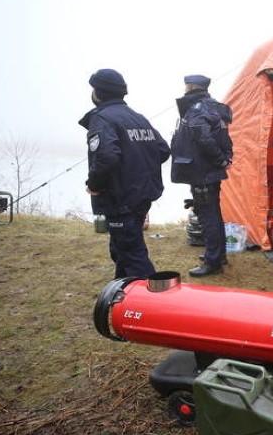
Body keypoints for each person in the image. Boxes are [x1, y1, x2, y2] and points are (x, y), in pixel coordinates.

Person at [79, 68, 171, 279]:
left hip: (121, 198)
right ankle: (122, 288)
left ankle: (150, 303)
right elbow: (162, 150)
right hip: (140, 195)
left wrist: (94, 185)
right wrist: (137, 168)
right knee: (122, 247)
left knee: (132, 253)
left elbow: (107, 157)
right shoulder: (137, 117)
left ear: (98, 92)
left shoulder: (102, 119)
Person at [170, 74, 234, 277]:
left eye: (186, 86)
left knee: (208, 216)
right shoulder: (214, 107)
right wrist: (223, 160)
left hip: (202, 171)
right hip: (209, 171)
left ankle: (213, 262)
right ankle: (219, 254)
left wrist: (220, 160)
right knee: (213, 213)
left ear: (190, 87)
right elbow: (223, 138)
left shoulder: (197, 110)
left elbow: (203, 138)